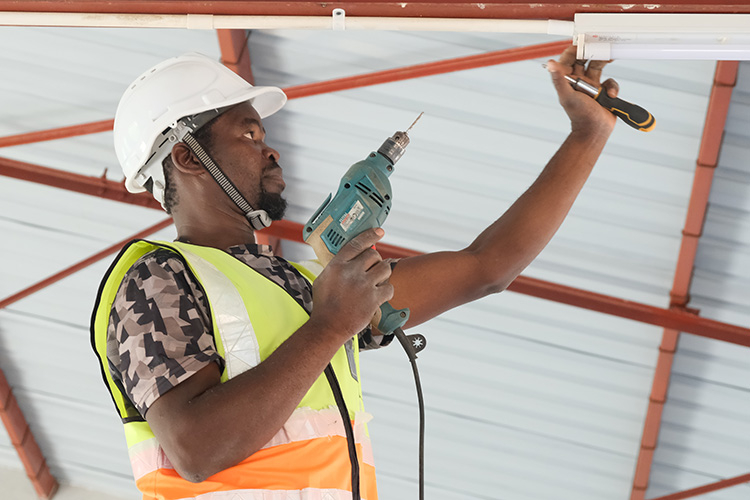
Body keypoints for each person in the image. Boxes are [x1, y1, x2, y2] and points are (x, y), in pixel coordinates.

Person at [91, 46, 618, 500]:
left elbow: (486, 268)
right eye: (248, 133)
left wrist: (587, 135)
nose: (270, 148)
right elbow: (196, 448)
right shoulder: (156, 276)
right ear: (187, 156)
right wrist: (329, 326)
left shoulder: (301, 286)